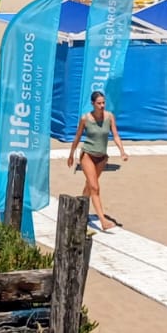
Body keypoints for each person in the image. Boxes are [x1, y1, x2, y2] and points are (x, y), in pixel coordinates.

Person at [67, 90, 129, 231]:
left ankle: (79, 209)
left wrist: (122, 151)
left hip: (101, 157)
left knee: (90, 185)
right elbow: (77, 137)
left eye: (103, 103)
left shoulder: (109, 117)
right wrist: (71, 154)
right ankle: (103, 221)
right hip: (87, 155)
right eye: (99, 103)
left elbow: (116, 135)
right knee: (95, 187)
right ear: (93, 104)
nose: (102, 106)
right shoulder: (85, 118)